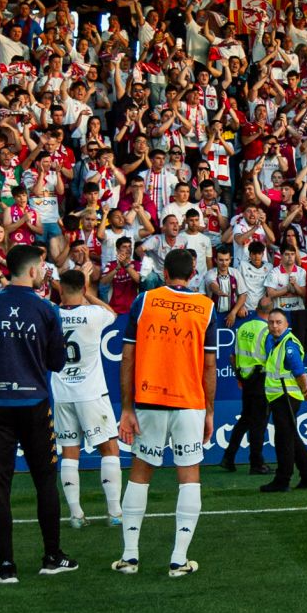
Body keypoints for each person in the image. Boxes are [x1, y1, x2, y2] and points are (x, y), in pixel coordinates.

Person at [0, 243, 75, 584]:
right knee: (44, 480)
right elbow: (58, 361)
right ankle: (52, 556)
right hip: (35, 403)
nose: (43, 271)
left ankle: (6, 565)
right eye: (41, 267)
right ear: (32, 270)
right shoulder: (45, 310)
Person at [115, 247, 219, 578]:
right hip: (189, 401)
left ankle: (130, 557)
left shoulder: (144, 301)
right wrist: (210, 411)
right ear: (194, 273)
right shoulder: (206, 307)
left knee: (140, 473)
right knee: (188, 475)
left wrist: (126, 407)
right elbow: (210, 365)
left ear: (164, 273)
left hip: (149, 399)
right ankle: (178, 560)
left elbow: (127, 357)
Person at [51, 269, 124, 530]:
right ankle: (114, 511)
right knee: (109, 448)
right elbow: (112, 313)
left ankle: (76, 515)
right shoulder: (94, 314)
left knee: (69, 452)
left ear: (60, 289)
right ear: (83, 288)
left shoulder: (52, 314)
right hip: (91, 393)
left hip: (61, 393)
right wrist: (89, 294)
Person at [257, 308, 307, 493]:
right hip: (278, 395)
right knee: (290, 435)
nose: (274, 326)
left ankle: (283, 479)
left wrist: (305, 389)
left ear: (287, 325)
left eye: (278, 322)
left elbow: (299, 371)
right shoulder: (273, 340)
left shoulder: (288, 344)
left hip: (286, 396)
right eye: (271, 322)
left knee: (284, 439)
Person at [219, 299, 271, 474]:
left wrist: (239, 377)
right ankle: (256, 463)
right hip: (261, 379)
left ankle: (228, 457)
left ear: (256, 309)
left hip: (245, 378)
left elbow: (232, 357)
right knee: (259, 422)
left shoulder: (242, 328)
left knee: (245, 419)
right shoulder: (268, 330)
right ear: (271, 314)